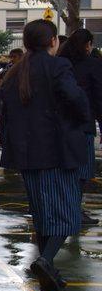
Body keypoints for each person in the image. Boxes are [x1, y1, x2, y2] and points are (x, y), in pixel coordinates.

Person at [0, 20, 91, 291]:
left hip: (27, 154)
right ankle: (45, 260)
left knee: (42, 213)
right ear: (53, 41)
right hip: (58, 151)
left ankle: (47, 271)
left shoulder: (15, 73)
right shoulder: (57, 67)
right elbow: (76, 99)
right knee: (68, 213)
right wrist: (81, 120)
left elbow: (7, 117)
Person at [60, 27, 101, 226]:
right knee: (82, 171)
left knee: (64, 170)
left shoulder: (61, 63)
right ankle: (75, 209)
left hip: (59, 125)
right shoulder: (93, 65)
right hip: (83, 124)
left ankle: (66, 207)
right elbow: (99, 98)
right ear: (88, 45)